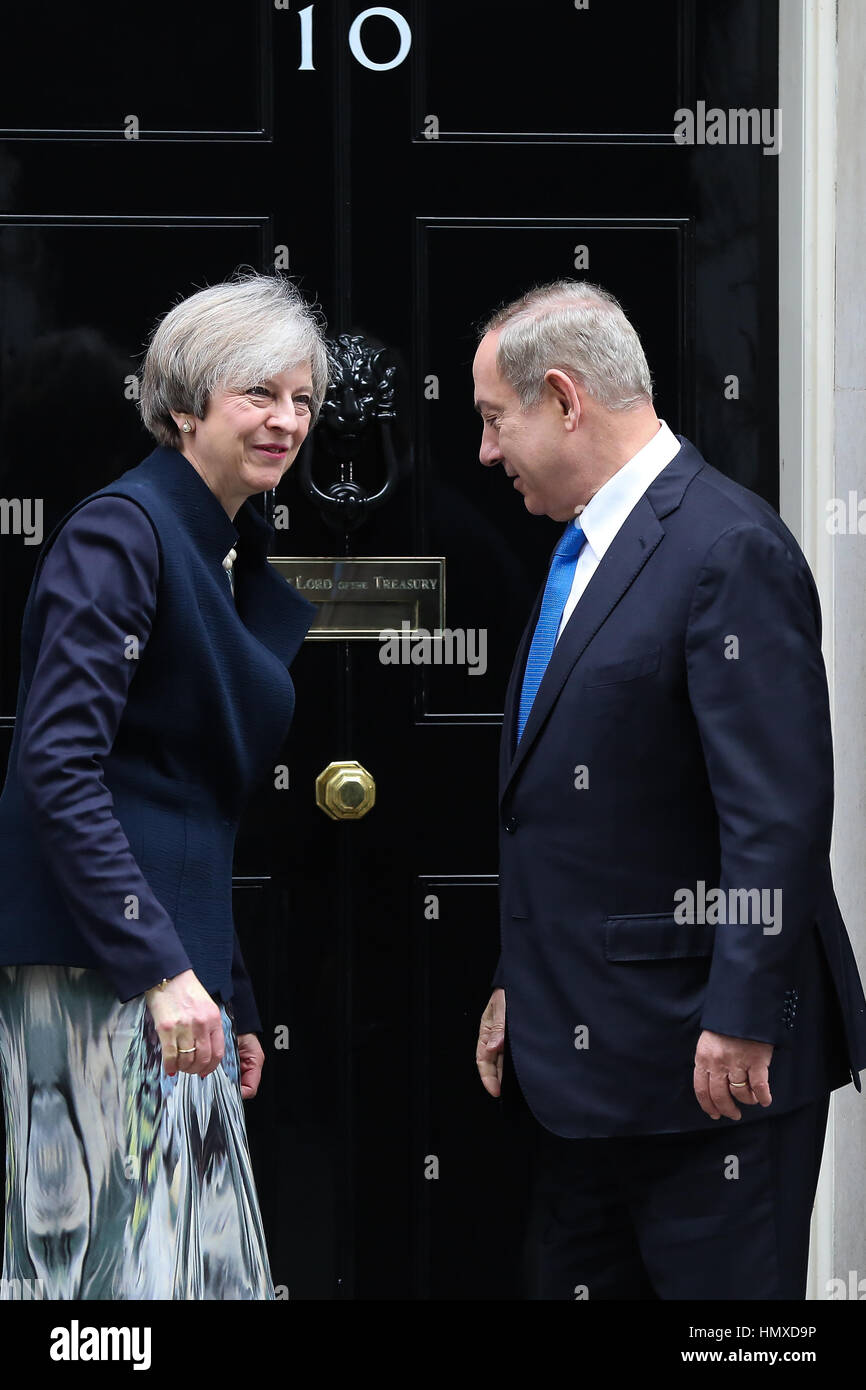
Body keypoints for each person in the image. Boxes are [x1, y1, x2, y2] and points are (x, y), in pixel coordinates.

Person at [473, 279, 866, 1300]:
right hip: (585, 1073)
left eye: (490, 419)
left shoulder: (724, 549)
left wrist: (740, 1014)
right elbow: (580, 813)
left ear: (562, 399)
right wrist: (524, 979)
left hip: (708, 1071)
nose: (483, 451)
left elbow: (772, 815)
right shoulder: (580, 553)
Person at [0, 272, 328, 1299]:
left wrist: (229, 990)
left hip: (165, 979)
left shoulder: (222, 545)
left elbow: (183, 799)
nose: (286, 420)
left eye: (303, 399)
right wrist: (160, 965)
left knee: (185, 1273)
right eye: (256, 394)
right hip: (95, 979)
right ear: (183, 404)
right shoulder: (122, 534)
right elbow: (59, 767)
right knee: (98, 1292)